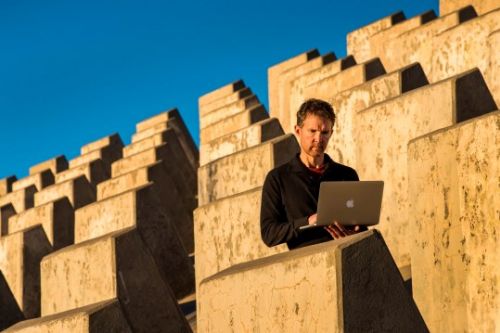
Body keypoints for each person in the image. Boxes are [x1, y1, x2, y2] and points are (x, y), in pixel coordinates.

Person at [260, 98, 366, 249]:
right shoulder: (278, 178)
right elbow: (269, 234)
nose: (319, 138)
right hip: (307, 265)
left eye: (324, 132)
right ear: (298, 131)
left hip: (348, 256)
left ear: (331, 134)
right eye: (313, 131)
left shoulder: (347, 175)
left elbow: (360, 225)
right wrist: (308, 222)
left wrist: (355, 232)